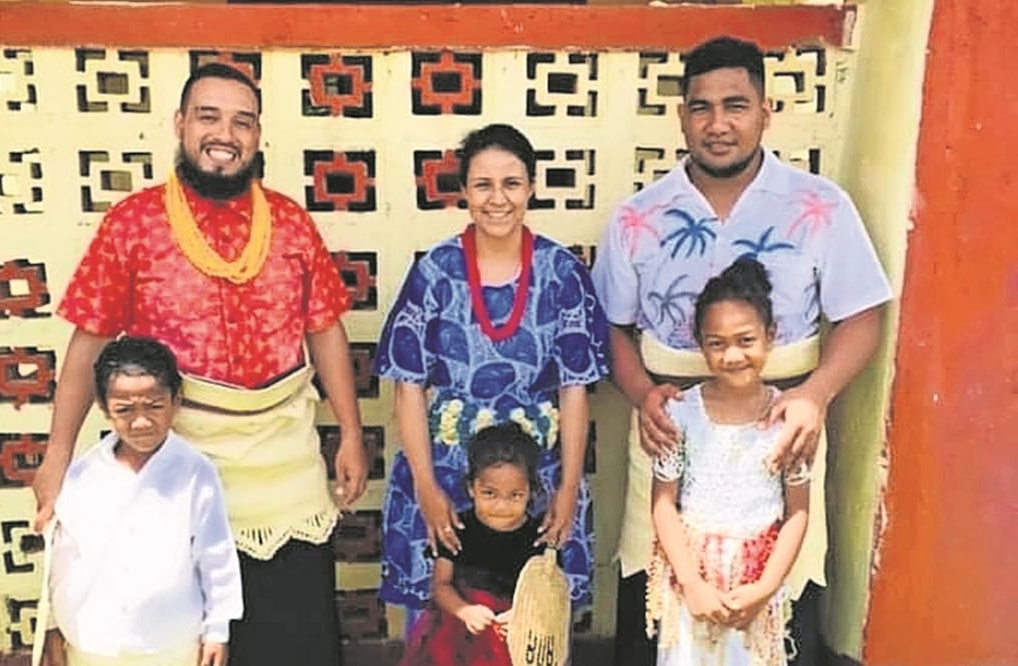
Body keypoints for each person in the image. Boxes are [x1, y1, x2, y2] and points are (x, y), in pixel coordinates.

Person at [31, 62, 368, 666]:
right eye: (208, 116)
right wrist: (57, 456)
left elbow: (324, 330)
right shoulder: (131, 223)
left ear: (258, 135)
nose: (225, 134)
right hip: (172, 459)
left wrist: (348, 429)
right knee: (183, 633)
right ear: (181, 124)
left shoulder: (290, 222)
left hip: (282, 459)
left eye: (242, 121)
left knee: (294, 633)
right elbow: (88, 342)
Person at [591, 36, 892, 664]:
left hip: (783, 431)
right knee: (659, 603)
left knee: (779, 604)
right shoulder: (637, 218)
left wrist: (814, 396)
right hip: (668, 429)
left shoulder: (819, 206)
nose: (718, 124)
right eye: (701, 107)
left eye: (736, 105)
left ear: (765, 111)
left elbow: (863, 313)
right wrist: (645, 395)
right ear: (681, 115)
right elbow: (610, 326)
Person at [374, 123, 610, 626]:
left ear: (531, 186)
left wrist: (567, 487)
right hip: (448, 470)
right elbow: (408, 386)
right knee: (444, 615)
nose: (497, 199)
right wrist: (426, 488)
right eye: (482, 184)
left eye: (511, 183)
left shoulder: (561, 272)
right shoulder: (435, 272)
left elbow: (574, 389)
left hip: (535, 476)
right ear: (463, 191)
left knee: (534, 618)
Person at [38, 336, 243, 666]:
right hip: (93, 641)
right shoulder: (82, 476)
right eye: (124, 410)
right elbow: (61, 561)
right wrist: (52, 629)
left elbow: (215, 554)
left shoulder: (195, 472)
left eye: (154, 406)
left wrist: (217, 630)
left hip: (171, 641)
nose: (141, 421)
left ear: (176, 401)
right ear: (105, 409)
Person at [647, 259, 809, 665]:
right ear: (700, 344)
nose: (732, 355)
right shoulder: (680, 413)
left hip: (755, 586)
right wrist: (691, 582)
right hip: (690, 583)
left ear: (770, 337)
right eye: (716, 343)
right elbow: (663, 503)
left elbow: (798, 512)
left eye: (745, 340)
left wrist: (766, 588)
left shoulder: (790, 420)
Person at [399, 423, 547, 666]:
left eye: (515, 495)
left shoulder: (538, 537)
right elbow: (441, 585)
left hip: (517, 639)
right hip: (460, 636)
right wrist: (464, 611)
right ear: (471, 488)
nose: (501, 506)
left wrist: (523, 618)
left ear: (531, 491)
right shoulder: (457, 531)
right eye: (489, 493)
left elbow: (547, 594)